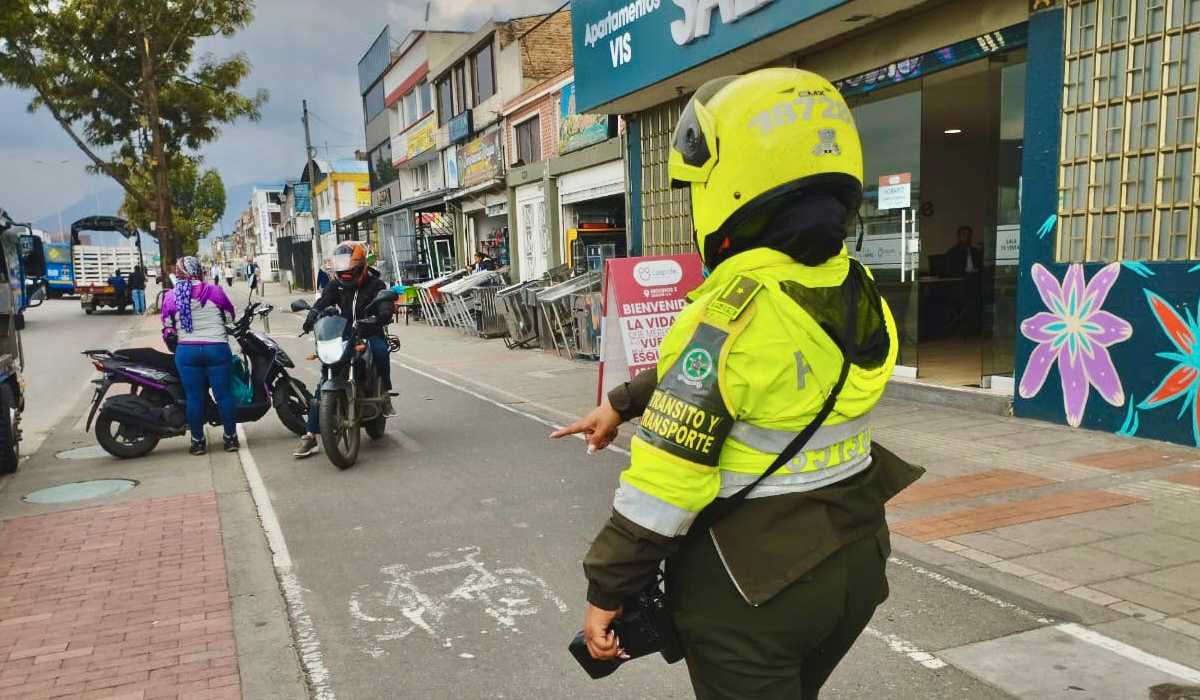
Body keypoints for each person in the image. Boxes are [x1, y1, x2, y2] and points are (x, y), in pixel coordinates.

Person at [553, 68, 922, 699]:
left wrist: (605, 589)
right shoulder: (856, 288)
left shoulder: (729, 312)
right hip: (857, 556)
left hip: (757, 588)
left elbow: (666, 483)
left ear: (733, 189)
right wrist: (622, 404)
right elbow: (749, 377)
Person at [293, 242, 394, 458]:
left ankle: (384, 392)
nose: (347, 276)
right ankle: (310, 436)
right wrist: (312, 316)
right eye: (342, 273)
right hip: (343, 335)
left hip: (369, 332)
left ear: (361, 267)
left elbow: (386, 307)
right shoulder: (335, 285)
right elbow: (322, 303)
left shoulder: (376, 285)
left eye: (351, 272)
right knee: (323, 380)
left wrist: (382, 314)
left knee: (380, 350)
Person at [161, 256, 239, 455]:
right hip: (217, 349)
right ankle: (230, 439)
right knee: (224, 396)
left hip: (187, 352)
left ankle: (197, 442)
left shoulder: (171, 296)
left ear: (178, 273)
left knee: (194, 398)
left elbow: (168, 328)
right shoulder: (214, 291)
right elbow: (230, 317)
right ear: (199, 270)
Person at [945, 224, 984, 335]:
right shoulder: (952, 253)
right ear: (959, 237)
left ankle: (975, 328)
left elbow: (982, 269)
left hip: (975, 285)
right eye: (964, 235)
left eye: (969, 235)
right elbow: (949, 272)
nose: (967, 237)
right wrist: (965, 274)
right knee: (969, 299)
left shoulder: (976, 252)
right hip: (959, 287)